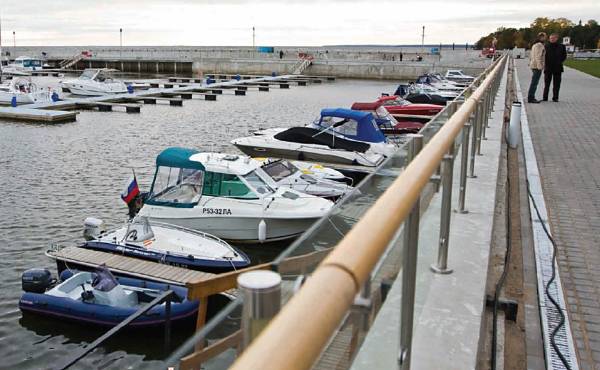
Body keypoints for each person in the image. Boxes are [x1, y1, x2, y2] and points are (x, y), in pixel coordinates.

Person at [543, 33, 567, 102]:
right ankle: (545, 97)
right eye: (550, 38)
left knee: (556, 84)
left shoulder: (562, 46)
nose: (552, 39)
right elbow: (543, 56)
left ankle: (555, 97)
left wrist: (559, 61)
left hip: (558, 68)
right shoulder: (546, 46)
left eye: (553, 38)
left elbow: (564, 56)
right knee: (547, 84)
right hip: (548, 67)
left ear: (556, 38)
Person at [527, 32, 546, 103]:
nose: (545, 38)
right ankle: (531, 97)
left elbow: (531, 55)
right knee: (534, 82)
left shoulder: (534, 45)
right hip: (536, 66)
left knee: (534, 82)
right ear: (541, 37)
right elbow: (538, 56)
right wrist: (540, 66)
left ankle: (531, 97)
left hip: (533, 65)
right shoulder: (539, 45)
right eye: (544, 37)